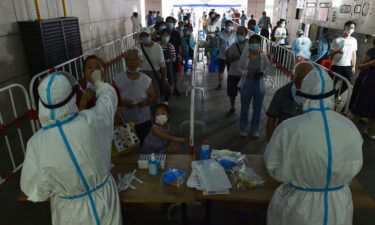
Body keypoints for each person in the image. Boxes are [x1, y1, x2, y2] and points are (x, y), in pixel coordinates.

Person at [264, 65, 363, 225]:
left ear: (303, 94)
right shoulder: (350, 128)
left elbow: (273, 166)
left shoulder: (289, 128)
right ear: (332, 95)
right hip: (337, 204)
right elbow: (354, 166)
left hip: (298, 205)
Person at [21, 71, 122, 225]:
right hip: (105, 201)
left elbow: (34, 189)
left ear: (41, 104)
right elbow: (108, 100)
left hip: (69, 211)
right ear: (73, 97)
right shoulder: (92, 120)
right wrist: (99, 83)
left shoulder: (36, 143)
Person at [113, 48, 156, 144]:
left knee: (145, 145)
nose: (131, 63)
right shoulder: (117, 79)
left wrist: (146, 102)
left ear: (140, 62)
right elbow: (112, 99)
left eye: (135, 60)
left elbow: (152, 97)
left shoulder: (146, 80)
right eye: (129, 60)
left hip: (143, 119)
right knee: (126, 147)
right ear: (125, 61)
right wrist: (123, 102)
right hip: (124, 120)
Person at [266, 62, 314, 140]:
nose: (304, 85)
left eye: (309, 80)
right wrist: (271, 144)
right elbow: (271, 121)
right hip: (285, 139)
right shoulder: (281, 93)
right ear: (292, 77)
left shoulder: (317, 95)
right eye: (301, 80)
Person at [238, 34, 271, 138]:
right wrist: (246, 72)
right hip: (247, 84)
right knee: (244, 107)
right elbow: (239, 68)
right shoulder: (245, 57)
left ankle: (254, 129)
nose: (254, 45)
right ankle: (243, 128)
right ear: (249, 44)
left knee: (257, 108)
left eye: (256, 43)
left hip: (259, 84)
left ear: (259, 44)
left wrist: (261, 73)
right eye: (252, 43)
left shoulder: (263, 57)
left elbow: (267, 69)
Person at [352, 38, 375, 140]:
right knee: (361, 107)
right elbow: (361, 66)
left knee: (374, 110)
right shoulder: (372, 51)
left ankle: (369, 131)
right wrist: (370, 64)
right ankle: (352, 131)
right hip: (369, 84)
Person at [138, 27, 168, 102]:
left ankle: (155, 110)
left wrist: (165, 79)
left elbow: (162, 64)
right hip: (142, 74)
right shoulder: (138, 48)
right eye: (142, 36)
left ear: (150, 35)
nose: (144, 37)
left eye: (146, 35)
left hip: (154, 74)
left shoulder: (157, 47)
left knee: (155, 94)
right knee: (144, 95)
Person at [329, 21, 357, 99]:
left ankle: (336, 95)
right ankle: (328, 97)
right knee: (332, 83)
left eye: (353, 28)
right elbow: (330, 53)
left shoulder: (354, 40)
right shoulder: (337, 40)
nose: (351, 29)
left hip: (347, 66)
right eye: (349, 27)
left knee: (348, 83)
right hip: (336, 65)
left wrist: (353, 66)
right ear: (345, 28)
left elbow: (354, 54)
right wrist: (337, 51)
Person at [225, 26, 248, 117]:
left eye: (241, 34)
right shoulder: (234, 45)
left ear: (246, 34)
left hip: (244, 74)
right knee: (232, 93)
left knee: (244, 94)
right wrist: (233, 58)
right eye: (238, 33)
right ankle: (232, 108)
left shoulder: (249, 45)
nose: (239, 35)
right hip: (233, 73)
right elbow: (228, 58)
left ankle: (244, 110)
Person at [216, 20, 236, 90]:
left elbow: (236, 44)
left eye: (230, 25)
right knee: (221, 71)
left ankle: (230, 85)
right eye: (227, 25)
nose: (228, 27)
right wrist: (218, 43)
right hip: (222, 55)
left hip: (231, 56)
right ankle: (220, 84)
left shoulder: (235, 34)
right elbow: (218, 43)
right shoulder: (221, 34)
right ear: (224, 26)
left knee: (230, 72)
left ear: (232, 26)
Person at [166, 16, 183, 96]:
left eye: (171, 22)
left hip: (174, 55)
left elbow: (179, 45)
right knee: (166, 73)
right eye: (168, 22)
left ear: (173, 23)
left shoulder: (176, 33)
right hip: (165, 56)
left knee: (175, 72)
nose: (169, 24)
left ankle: (175, 87)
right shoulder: (163, 32)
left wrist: (180, 56)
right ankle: (167, 88)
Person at [159, 29, 176, 101]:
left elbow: (174, 57)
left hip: (168, 67)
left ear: (169, 37)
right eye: (164, 35)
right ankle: (160, 94)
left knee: (168, 82)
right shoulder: (157, 45)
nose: (165, 37)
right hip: (159, 67)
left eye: (167, 36)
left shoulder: (170, 46)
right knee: (160, 80)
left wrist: (167, 60)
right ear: (161, 36)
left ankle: (167, 98)